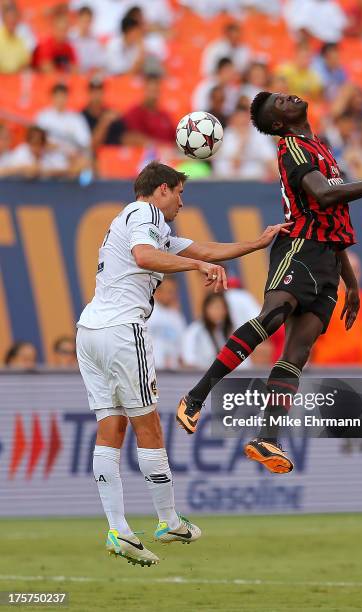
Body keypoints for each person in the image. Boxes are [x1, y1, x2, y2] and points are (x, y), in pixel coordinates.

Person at [176, 90, 362, 475]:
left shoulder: (318, 146)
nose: (287, 97)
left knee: (298, 351)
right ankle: (195, 397)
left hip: (327, 259)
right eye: (279, 103)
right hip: (300, 246)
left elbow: (336, 221)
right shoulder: (291, 147)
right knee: (274, 316)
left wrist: (351, 284)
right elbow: (325, 197)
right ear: (278, 124)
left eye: (281, 95)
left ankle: (267, 437)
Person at [76, 161, 289, 565]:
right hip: (123, 329)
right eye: (179, 193)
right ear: (160, 190)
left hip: (90, 330)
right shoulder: (145, 213)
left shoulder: (143, 225)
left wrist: (258, 244)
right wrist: (198, 266)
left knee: (111, 427)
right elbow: (145, 256)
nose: (181, 202)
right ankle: (168, 520)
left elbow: (205, 249)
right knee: (149, 425)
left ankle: (118, 530)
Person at [311, 252, 362, 366]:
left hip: (359, 368)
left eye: (356, 270)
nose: (353, 275)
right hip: (328, 367)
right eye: (349, 269)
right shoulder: (323, 298)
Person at [213, 102, 277, 180]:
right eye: (240, 121)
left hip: (257, 180)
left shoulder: (259, 135)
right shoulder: (225, 136)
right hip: (231, 181)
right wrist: (242, 143)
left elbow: (271, 160)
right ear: (232, 121)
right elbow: (234, 164)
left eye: (245, 120)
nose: (243, 123)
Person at [182, 293, 238, 370]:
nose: (218, 312)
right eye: (215, 307)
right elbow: (188, 359)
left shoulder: (223, 332)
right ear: (206, 309)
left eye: (222, 308)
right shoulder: (195, 330)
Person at [146, 276, 187, 370]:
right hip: (150, 370)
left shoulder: (177, 317)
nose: (171, 295)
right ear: (157, 290)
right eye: (168, 291)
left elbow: (181, 348)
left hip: (172, 371)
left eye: (173, 291)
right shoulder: (146, 311)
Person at [124, 75, 176, 145]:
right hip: (146, 153)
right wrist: (160, 146)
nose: (153, 95)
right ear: (144, 91)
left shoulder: (164, 114)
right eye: (151, 91)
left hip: (169, 152)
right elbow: (133, 137)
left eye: (156, 91)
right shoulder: (135, 112)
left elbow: (174, 136)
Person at [4, 125, 70, 179]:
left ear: (44, 143)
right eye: (33, 143)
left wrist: (43, 171)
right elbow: (7, 171)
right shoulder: (21, 151)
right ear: (28, 142)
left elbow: (67, 170)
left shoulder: (50, 153)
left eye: (39, 143)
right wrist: (24, 169)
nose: (36, 147)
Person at [81, 78, 126, 148]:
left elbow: (123, 137)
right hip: (92, 155)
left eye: (99, 91)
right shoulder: (82, 117)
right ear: (89, 93)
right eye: (93, 91)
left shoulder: (110, 113)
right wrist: (104, 122)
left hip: (112, 152)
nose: (96, 95)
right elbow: (90, 145)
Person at [32, 5, 77, 73]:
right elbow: (48, 70)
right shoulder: (46, 45)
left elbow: (75, 70)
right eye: (61, 29)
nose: (63, 33)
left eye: (65, 30)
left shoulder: (68, 47)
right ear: (54, 28)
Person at [69, 5, 105, 73]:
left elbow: (99, 63)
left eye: (89, 21)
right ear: (78, 19)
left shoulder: (95, 40)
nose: (86, 25)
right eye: (84, 21)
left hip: (89, 76)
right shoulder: (69, 38)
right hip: (72, 75)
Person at [0, 2, 30, 74]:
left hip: (15, 81)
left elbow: (24, 64)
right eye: (9, 18)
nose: (11, 21)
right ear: (4, 19)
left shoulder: (20, 42)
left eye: (14, 19)